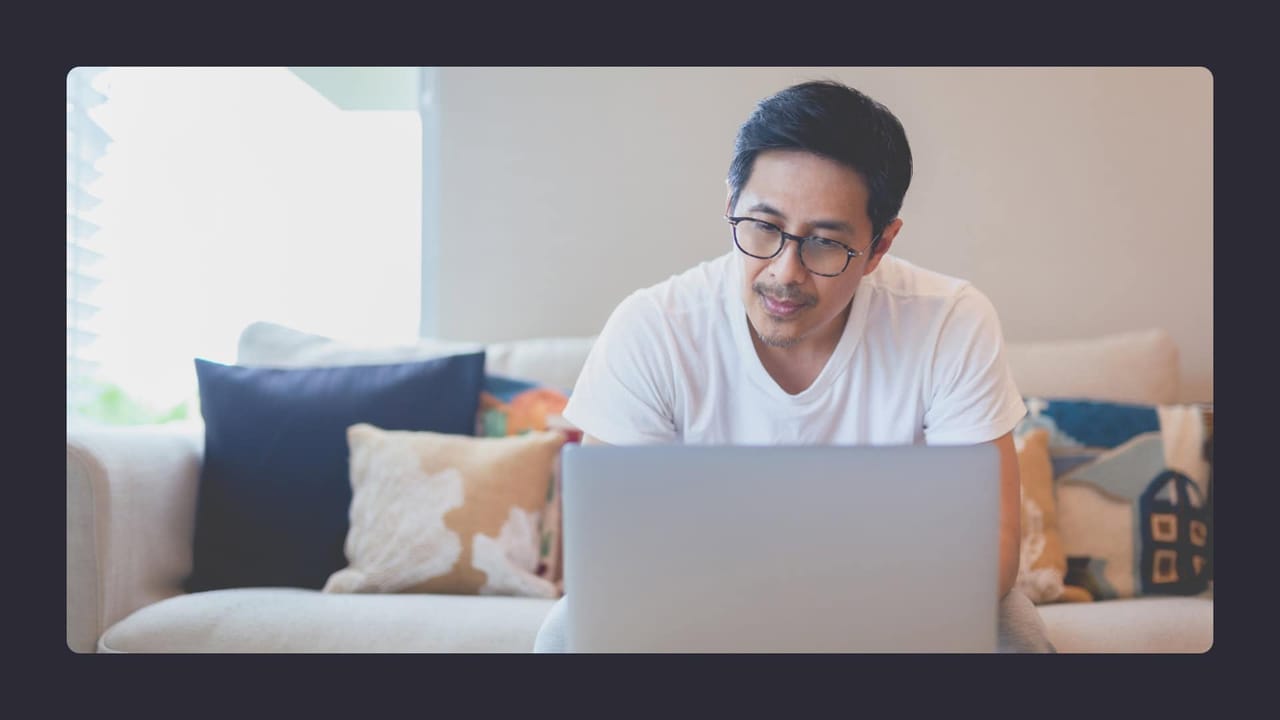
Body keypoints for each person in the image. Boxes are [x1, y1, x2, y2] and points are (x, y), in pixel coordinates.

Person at [535, 79, 1054, 653]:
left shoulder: (949, 322)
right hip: (701, 610)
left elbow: (989, 545)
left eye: (824, 243)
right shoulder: (654, 327)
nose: (785, 272)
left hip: (894, 608)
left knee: (1015, 629)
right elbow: (611, 549)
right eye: (763, 228)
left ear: (880, 246)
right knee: (566, 631)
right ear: (730, 206)